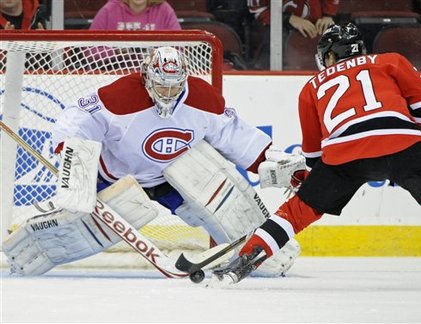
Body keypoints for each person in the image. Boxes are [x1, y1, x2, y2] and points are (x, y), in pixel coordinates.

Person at [3, 46, 303, 277]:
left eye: (175, 86)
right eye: (162, 86)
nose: (169, 93)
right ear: (147, 78)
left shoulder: (202, 98)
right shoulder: (120, 96)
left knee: (226, 208)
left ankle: (267, 251)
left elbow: (233, 134)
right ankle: (32, 245)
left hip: (172, 178)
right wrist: (70, 149)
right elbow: (79, 116)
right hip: (113, 180)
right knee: (74, 226)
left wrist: (267, 159)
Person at [213, 23, 421, 284]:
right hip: (403, 145)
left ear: (330, 55)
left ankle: (245, 259)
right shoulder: (391, 60)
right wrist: (416, 141)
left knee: (296, 212)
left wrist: (310, 178)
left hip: (343, 157)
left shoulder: (312, 86)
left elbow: (313, 151)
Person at [247, 0, 339, 69]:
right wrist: (287, 19)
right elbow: (257, 9)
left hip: (316, 26)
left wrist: (328, 15)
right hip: (277, 30)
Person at [89, 0, 181, 31]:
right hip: (115, 73)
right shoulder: (108, 10)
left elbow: (179, 49)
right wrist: (117, 51)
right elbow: (90, 50)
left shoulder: (165, 10)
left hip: (156, 73)